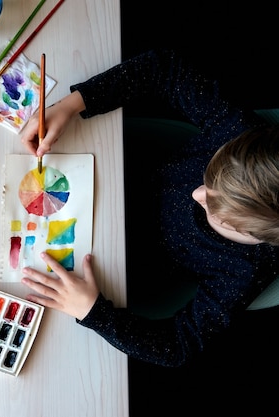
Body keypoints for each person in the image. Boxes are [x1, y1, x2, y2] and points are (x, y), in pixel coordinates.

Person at [19, 49, 279, 367]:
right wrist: (74, 104)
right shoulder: (237, 129)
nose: (197, 194)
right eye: (210, 175)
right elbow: (164, 69)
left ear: (254, 234)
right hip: (126, 164)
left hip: (126, 260)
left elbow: (177, 346)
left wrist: (93, 312)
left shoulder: (247, 271)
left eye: (215, 209)